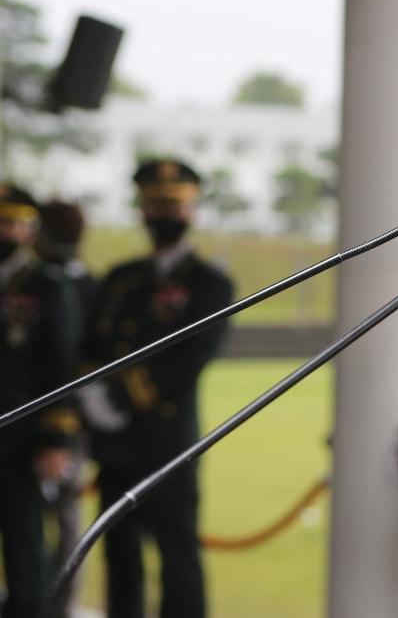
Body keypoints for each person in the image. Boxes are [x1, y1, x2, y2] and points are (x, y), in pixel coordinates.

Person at [82, 159, 232, 618]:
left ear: (191, 210)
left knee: (177, 555)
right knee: (120, 557)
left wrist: (124, 398)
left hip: (169, 443)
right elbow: (93, 344)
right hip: (116, 445)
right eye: (154, 204)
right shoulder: (121, 277)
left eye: (173, 204)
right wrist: (92, 396)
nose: (162, 214)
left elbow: (189, 359)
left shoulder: (209, 283)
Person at [0, 184, 79, 618]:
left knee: (26, 560)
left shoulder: (47, 286)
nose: (5, 232)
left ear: (30, 231)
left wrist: (57, 440)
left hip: (21, 443)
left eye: (14, 223)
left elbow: (61, 367)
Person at [33, 200, 96, 618]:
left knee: (60, 516)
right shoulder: (90, 282)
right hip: (71, 417)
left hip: (64, 419)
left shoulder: (53, 284)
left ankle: (52, 604)